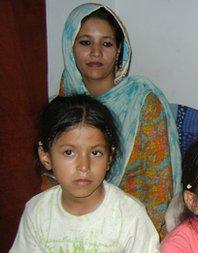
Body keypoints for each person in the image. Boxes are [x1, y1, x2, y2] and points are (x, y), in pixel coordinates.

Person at [56, 3, 182, 239]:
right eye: (85, 42)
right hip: (73, 222)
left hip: (133, 226)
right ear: (69, 47)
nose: (96, 52)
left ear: (119, 51)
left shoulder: (142, 102)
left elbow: (159, 189)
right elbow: (53, 173)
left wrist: (143, 241)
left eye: (106, 44)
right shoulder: (66, 97)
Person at [8, 95, 160, 253]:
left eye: (95, 153)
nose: (83, 166)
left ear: (109, 158)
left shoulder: (130, 216)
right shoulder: (37, 212)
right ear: (46, 157)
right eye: (69, 152)